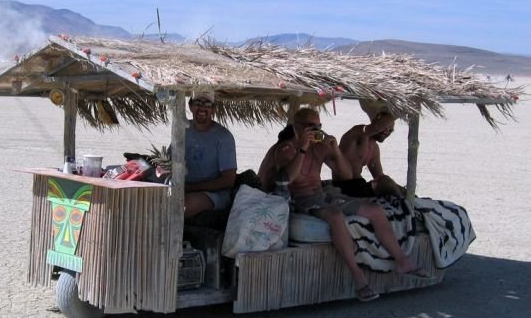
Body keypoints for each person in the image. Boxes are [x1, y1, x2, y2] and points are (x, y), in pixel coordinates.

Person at [260, 107, 430, 301]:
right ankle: (358, 278)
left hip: (324, 193)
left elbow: (346, 176)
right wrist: (303, 147)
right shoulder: (286, 149)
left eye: (318, 126)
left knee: (374, 210)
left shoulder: (319, 147)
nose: (315, 130)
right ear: (296, 127)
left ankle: (403, 261)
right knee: (335, 216)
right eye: (310, 127)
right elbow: (287, 178)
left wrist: (336, 152)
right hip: (301, 199)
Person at [183, 91, 237, 219]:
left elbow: (228, 180)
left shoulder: (224, 137)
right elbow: (169, 160)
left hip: (214, 194)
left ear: (213, 109)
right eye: (198, 103)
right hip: (184, 188)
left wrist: (190, 188)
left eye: (207, 104)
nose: (202, 107)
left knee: (180, 206)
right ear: (190, 106)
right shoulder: (183, 129)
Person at [333, 111, 406, 198]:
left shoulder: (374, 148)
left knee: (386, 182)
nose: (387, 132)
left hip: (359, 185)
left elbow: (379, 176)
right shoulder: (358, 133)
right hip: (342, 185)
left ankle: (405, 197)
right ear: (376, 121)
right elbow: (375, 128)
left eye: (390, 130)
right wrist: (399, 112)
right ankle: (403, 200)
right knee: (386, 183)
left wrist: (401, 189)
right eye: (385, 127)